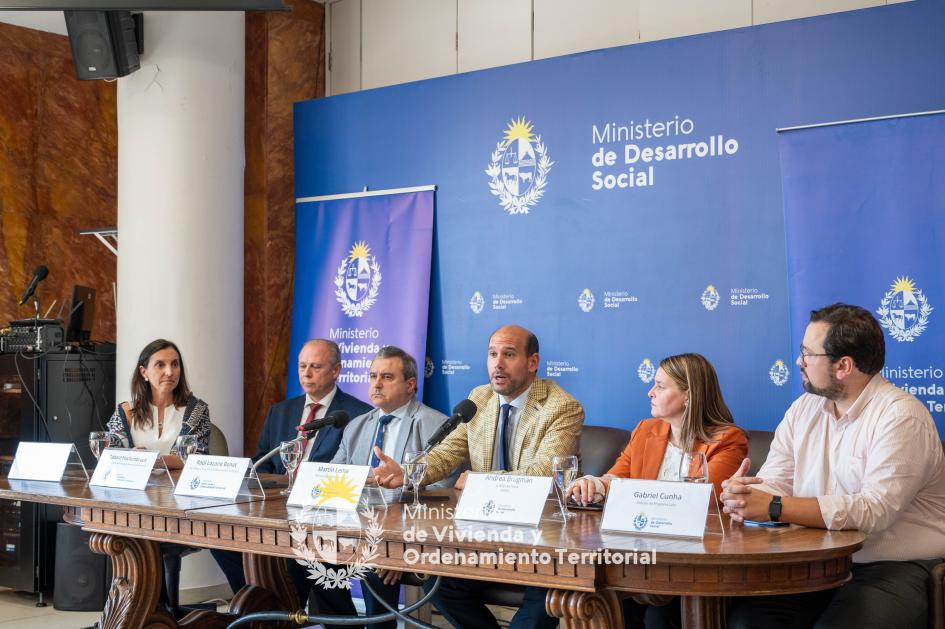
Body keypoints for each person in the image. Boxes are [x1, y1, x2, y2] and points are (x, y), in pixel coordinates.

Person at [721, 303, 945, 629]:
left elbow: (874, 512)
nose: (798, 362)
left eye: (807, 354)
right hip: (817, 559)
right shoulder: (804, 409)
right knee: (747, 623)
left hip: (894, 564)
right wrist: (747, 493)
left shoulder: (901, 416)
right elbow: (776, 480)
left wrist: (773, 506)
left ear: (843, 366)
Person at [373, 324, 585, 629]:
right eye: (492, 354)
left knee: (549, 589)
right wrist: (406, 473)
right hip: (483, 533)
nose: (497, 363)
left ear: (532, 363)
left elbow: (543, 474)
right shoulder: (480, 399)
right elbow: (446, 454)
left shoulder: (561, 407)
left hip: (541, 536)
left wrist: (482, 482)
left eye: (509, 355)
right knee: (436, 576)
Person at [566, 352, 748, 629]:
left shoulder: (727, 440)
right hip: (637, 554)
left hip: (692, 561)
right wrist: (595, 485)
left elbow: (703, 501)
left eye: (661, 386)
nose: (650, 392)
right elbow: (616, 477)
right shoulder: (645, 430)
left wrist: (624, 490)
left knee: (657, 617)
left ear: (688, 395)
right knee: (595, 594)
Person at [211, 338, 371, 618]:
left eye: (316, 367)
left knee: (301, 559)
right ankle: (260, 606)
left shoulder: (357, 415)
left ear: (336, 371)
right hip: (275, 511)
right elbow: (263, 464)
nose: (306, 373)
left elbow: (353, 475)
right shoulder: (281, 411)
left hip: (323, 517)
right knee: (221, 540)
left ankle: (277, 614)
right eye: (302, 366)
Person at [322, 346, 447, 629]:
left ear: (410, 384)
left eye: (387, 377)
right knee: (308, 559)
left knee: (373, 563)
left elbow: (443, 490)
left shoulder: (434, 425)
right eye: (373, 376)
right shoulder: (356, 426)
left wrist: (397, 540)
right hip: (353, 527)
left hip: (402, 532)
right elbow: (333, 478)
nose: (376, 384)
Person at [106, 338, 210, 468]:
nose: (170, 372)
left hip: (179, 487)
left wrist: (152, 460)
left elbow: (197, 459)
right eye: (160, 365)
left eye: (175, 364)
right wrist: (130, 456)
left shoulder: (197, 410)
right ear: (144, 372)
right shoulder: (126, 411)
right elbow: (110, 458)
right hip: (136, 487)